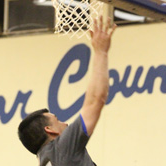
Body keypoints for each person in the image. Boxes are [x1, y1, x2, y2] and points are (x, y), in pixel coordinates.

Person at [18, 16, 117, 166]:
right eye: (58, 120)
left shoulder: (44, 160)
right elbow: (96, 99)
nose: (66, 124)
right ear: (50, 130)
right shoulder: (62, 147)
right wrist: (101, 51)